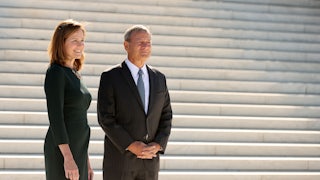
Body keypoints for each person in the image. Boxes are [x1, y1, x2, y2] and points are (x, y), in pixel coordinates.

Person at [97, 24, 173, 180]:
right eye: (140, 42)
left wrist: (158, 145)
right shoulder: (111, 77)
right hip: (120, 161)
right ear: (126, 45)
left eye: (148, 42)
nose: (145, 46)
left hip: (150, 162)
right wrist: (132, 145)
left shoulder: (159, 78)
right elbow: (106, 118)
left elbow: (166, 116)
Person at [44, 19, 94, 180]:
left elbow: (79, 119)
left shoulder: (74, 73)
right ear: (61, 43)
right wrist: (68, 158)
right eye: (74, 41)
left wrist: (86, 161)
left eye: (82, 41)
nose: (80, 45)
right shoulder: (56, 73)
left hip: (79, 148)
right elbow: (56, 118)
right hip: (63, 152)